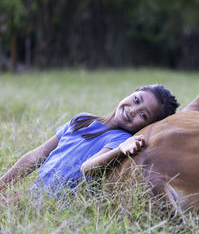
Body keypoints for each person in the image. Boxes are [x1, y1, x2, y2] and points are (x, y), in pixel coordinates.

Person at [0, 84, 179, 198]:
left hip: (60, 207)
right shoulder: (82, 119)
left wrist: (120, 150)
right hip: (34, 195)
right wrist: (3, 184)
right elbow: (36, 156)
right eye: (136, 100)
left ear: (147, 125)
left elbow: (89, 168)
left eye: (143, 114)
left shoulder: (122, 139)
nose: (133, 110)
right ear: (130, 94)